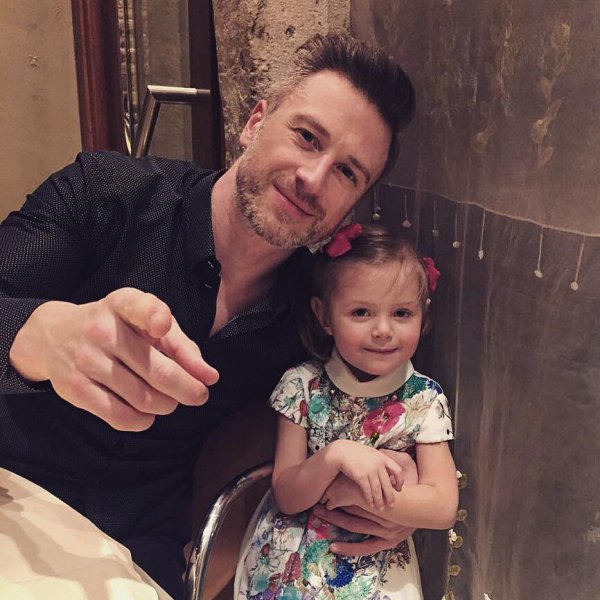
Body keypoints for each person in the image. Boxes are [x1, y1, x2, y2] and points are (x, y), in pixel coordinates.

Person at [0, 33, 416, 599]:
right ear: (255, 123)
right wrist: (36, 336)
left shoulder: (314, 313)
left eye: (347, 173)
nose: (313, 179)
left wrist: (397, 499)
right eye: (306, 137)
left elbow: (357, 410)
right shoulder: (104, 195)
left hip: (132, 554)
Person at [235, 224, 458, 599]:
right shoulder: (302, 385)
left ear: (424, 314)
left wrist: (358, 493)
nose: (383, 330)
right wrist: (336, 456)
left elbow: (442, 507)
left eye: (402, 313)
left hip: (378, 569)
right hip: (293, 564)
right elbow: (287, 494)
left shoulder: (425, 398)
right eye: (361, 312)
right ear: (324, 315)